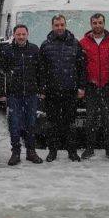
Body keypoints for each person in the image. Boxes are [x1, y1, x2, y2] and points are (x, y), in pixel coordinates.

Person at [39, 14, 87, 162]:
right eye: (56, 25)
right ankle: (52, 151)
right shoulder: (45, 45)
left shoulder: (75, 44)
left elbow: (81, 67)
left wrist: (81, 87)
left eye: (61, 25)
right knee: (51, 123)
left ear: (65, 25)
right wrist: (42, 89)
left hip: (69, 90)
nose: (59, 27)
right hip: (51, 91)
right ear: (52, 26)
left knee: (70, 123)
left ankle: (72, 152)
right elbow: (41, 69)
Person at [0, 25, 44, 166]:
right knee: (14, 124)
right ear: (14, 35)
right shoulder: (7, 51)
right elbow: (1, 73)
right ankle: (15, 152)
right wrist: (1, 91)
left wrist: (42, 90)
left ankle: (31, 152)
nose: (21, 37)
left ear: (27, 34)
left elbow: (40, 71)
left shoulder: (34, 49)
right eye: (18, 34)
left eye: (23, 34)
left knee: (31, 123)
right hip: (14, 94)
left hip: (31, 93)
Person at [79, 13, 109, 161]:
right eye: (95, 23)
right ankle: (89, 148)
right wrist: (81, 86)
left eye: (100, 22)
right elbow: (81, 66)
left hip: (107, 86)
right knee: (91, 119)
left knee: (107, 119)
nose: (97, 25)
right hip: (91, 86)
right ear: (91, 24)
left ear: (104, 23)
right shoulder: (83, 42)